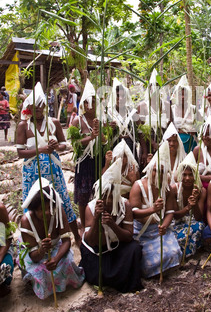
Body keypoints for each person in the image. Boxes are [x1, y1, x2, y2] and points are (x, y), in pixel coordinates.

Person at [16, 82, 81, 246]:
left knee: (61, 200)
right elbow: (20, 153)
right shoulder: (23, 126)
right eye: (34, 107)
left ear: (45, 106)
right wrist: (41, 150)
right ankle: (33, 241)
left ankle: (76, 237)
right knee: (36, 203)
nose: (38, 110)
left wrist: (54, 147)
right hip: (32, 172)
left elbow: (63, 144)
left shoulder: (54, 122)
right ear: (29, 108)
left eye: (40, 107)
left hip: (53, 170)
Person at [79, 158, 143, 293]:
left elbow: (128, 237)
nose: (108, 201)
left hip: (118, 246)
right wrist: (97, 219)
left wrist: (112, 225)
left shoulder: (125, 205)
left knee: (135, 248)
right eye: (104, 197)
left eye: (111, 197)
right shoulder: (90, 208)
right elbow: (90, 241)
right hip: (98, 250)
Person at [17, 178, 85, 300]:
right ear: (34, 210)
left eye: (49, 207)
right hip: (36, 254)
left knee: (67, 263)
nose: (47, 212)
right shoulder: (26, 222)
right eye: (41, 210)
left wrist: (56, 259)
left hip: (55, 250)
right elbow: (34, 256)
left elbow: (66, 241)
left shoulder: (58, 211)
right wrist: (41, 250)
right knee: (40, 272)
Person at [129, 141, 182, 278]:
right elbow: (133, 213)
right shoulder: (138, 186)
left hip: (159, 230)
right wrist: (152, 209)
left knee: (174, 253)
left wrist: (164, 225)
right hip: (142, 230)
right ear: (150, 169)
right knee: (148, 263)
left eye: (162, 171)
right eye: (155, 170)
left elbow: (170, 212)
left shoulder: (167, 188)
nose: (157, 174)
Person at [68, 79, 103, 229]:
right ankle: (83, 224)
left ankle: (96, 223)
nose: (91, 106)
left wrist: (100, 132)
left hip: (98, 161)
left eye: (94, 102)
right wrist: (90, 138)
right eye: (87, 102)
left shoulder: (100, 120)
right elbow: (74, 143)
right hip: (84, 163)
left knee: (98, 193)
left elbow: (105, 141)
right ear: (83, 104)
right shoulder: (77, 120)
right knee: (83, 195)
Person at [172, 152, 206, 258]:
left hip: (192, 222)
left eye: (190, 175)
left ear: (195, 176)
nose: (187, 178)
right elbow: (174, 215)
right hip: (176, 222)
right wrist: (187, 207)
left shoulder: (201, 190)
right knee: (179, 236)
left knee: (199, 227)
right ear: (180, 175)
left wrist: (194, 202)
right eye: (184, 175)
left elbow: (198, 217)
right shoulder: (174, 189)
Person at [136, 69, 171, 170]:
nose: (154, 90)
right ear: (149, 89)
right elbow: (140, 131)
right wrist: (146, 150)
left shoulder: (166, 106)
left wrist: (163, 145)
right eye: (152, 87)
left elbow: (170, 127)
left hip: (163, 145)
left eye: (157, 86)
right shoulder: (142, 106)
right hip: (148, 146)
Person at [107, 77, 139, 159]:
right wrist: (109, 128)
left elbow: (139, 132)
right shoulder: (109, 113)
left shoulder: (132, 112)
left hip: (130, 146)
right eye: (118, 96)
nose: (120, 99)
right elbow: (104, 136)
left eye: (123, 96)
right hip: (115, 145)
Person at [171, 75, 198, 153]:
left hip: (191, 144)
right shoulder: (171, 109)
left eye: (185, 94)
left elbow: (200, 127)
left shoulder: (194, 109)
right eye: (180, 94)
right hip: (175, 144)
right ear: (175, 95)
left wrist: (194, 130)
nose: (182, 97)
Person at [0, 202, 14, 297]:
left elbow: (6, 238)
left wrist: (0, 257)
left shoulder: (0, 210)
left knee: (5, 269)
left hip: (1, 248)